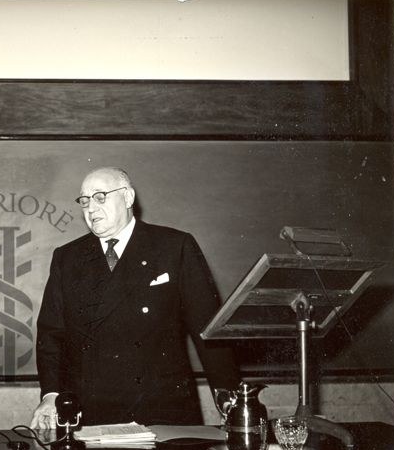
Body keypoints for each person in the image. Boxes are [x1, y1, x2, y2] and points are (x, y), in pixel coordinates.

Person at [31, 167, 239, 429]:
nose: (91, 208)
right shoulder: (68, 257)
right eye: (84, 201)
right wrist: (50, 395)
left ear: (128, 198)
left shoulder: (174, 246)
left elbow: (209, 331)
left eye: (100, 197)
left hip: (161, 407)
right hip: (92, 410)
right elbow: (51, 335)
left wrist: (229, 399)